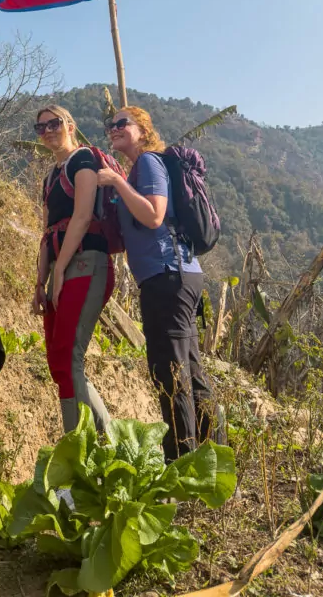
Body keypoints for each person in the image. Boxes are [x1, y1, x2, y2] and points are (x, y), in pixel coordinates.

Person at [97, 106, 218, 461]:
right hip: (176, 275)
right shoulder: (140, 168)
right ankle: (213, 459)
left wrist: (117, 182)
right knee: (190, 371)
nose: (114, 128)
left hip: (168, 276)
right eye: (111, 125)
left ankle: (180, 464)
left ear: (143, 130)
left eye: (123, 124)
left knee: (171, 373)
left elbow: (153, 215)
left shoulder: (148, 164)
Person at [32, 105, 114, 434]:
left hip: (86, 263)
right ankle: (105, 439)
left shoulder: (82, 160)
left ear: (70, 125)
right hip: (61, 269)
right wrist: (41, 280)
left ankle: (77, 454)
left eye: (54, 124)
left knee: (68, 356)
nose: (48, 130)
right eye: (41, 127)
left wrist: (60, 269)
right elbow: (46, 231)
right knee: (58, 362)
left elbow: (82, 216)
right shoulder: (51, 176)